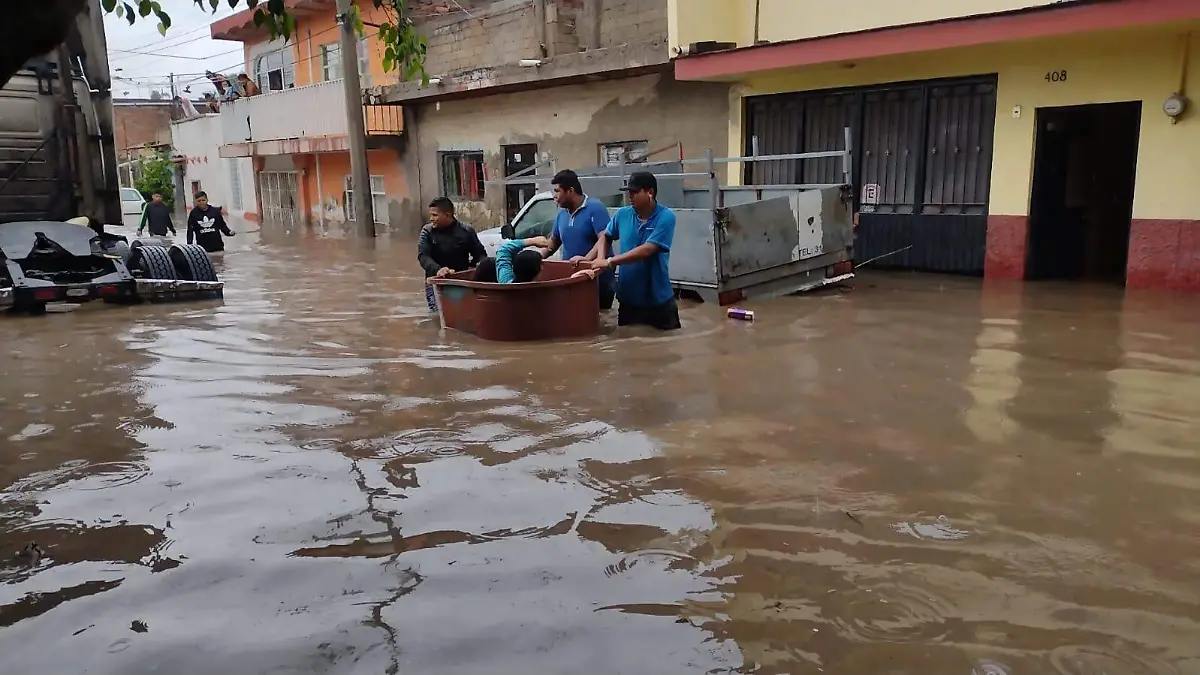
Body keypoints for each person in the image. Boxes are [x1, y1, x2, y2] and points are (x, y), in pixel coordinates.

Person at [580, 171, 680, 330]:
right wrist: (599, 259)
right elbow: (606, 236)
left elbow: (648, 249)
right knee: (628, 347)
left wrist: (609, 262)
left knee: (666, 348)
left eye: (634, 192)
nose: (630, 197)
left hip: (659, 300)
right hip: (629, 300)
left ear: (650, 193)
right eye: (629, 192)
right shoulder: (622, 214)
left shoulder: (666, 217)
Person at [542, 169, 616, 309]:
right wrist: (535, 257)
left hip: (597, 279)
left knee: (600, 320)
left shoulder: (595, 208)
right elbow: (553, 243)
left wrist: (586, 259)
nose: (555, 196)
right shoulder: (561, 214)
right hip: (572, 279)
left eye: (557, 191)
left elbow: (605, 238)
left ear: (570, 191)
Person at [418, 197, 487, 311]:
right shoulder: (427, 232)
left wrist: (476, 267)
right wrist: (438, 269)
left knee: (463, 311)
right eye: (430, 215)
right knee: (438, 313)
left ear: (447, 214)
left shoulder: (466, 231)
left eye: (435, 215)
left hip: (461, 281)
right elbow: (423, 256)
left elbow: (480, 254)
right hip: (436, 281)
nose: (431, 219)